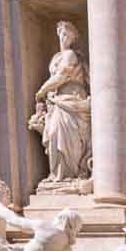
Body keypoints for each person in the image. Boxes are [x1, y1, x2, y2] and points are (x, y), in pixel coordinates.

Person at [28, 20, 91, 185]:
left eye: (68, 35)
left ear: (72, 39)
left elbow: (62, 76)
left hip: (72, 100)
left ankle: (71, 174)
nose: (64, 38)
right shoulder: (56, 57)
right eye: (62, 34)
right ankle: (58, 175)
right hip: (57, 102)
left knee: (67, 136)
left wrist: (42, 90)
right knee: (54, 133)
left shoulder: (70, 55)